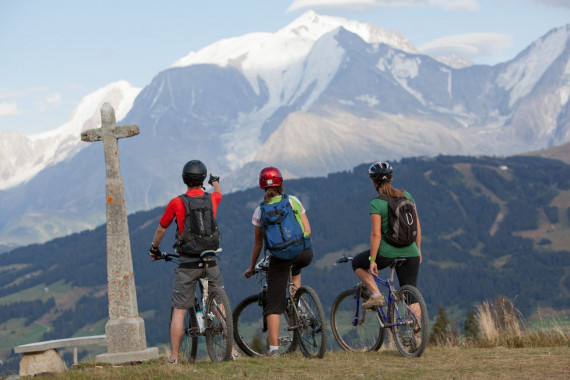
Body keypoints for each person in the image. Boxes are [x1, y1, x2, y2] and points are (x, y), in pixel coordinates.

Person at [149, 159, 231, 363]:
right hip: (210, 259)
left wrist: (154, 248)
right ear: (202, 179)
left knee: (179, 309)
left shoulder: (177, 202)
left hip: (187, 262)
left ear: (185, 179)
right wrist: (215, 181)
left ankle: (174, 358)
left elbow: (162, 228)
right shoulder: (212, 199)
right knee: (219, 303)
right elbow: (219, 192)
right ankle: (232, 350)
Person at [244, 166, 313, 356]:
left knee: (274, 303)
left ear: (262, 186)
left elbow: (258, 244)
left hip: (280, 258)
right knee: (296, 266)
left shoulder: (260, 210)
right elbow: (307, 229)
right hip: (304, 253)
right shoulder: (293, 201)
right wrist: (301, 246)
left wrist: (251, 267)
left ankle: (274, 350)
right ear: (281, 183)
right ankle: (297, 302)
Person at [352, 161, 422, 310]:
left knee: (357, 263)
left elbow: (376, 235)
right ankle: (417, 334)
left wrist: (372, 260)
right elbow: (417, 226)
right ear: (391, 179)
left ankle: (377, 296)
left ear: (373, 182)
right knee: (411, 296)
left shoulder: (377, 203)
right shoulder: (407, 196)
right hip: (412, 253)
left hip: (386, 254)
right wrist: (418, 249)